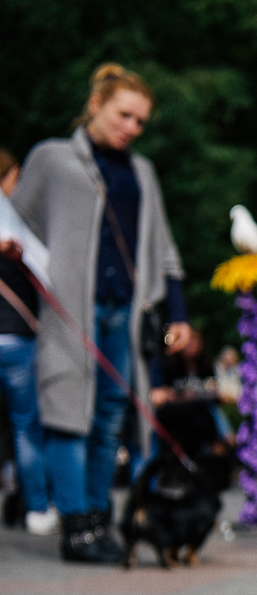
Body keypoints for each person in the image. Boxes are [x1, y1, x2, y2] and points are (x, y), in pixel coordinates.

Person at [11, 64, 195, 564]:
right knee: (68, 414)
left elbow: (163, 247)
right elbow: (17, 223)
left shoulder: (142, 171)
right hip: (70, 312)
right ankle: (76, 527)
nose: (132, 127)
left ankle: (98, 518)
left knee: (111, 417)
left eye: (141, 121)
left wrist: (177, 312)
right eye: (124, 115)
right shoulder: (52, 158)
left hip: (125, 313)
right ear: (95, 105)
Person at [0, 150, 57, 537]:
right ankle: (37, 508)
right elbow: (48, 276)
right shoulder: (17, 227)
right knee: (26, 428)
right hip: (17, 339)